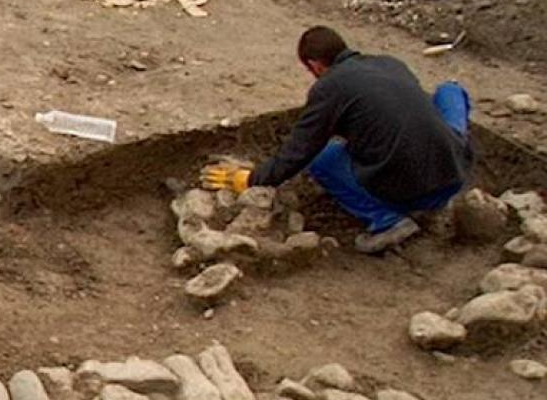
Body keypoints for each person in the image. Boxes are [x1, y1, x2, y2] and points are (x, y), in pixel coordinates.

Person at [202, 26, 472, 254]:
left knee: (322, 158)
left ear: (315, 65)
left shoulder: (329, 88)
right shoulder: (389, 64)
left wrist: (252, 179)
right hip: (454, 172)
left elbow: (300, 151)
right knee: (450, 91)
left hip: (410, 190)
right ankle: (440, 194)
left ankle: (388, 220)